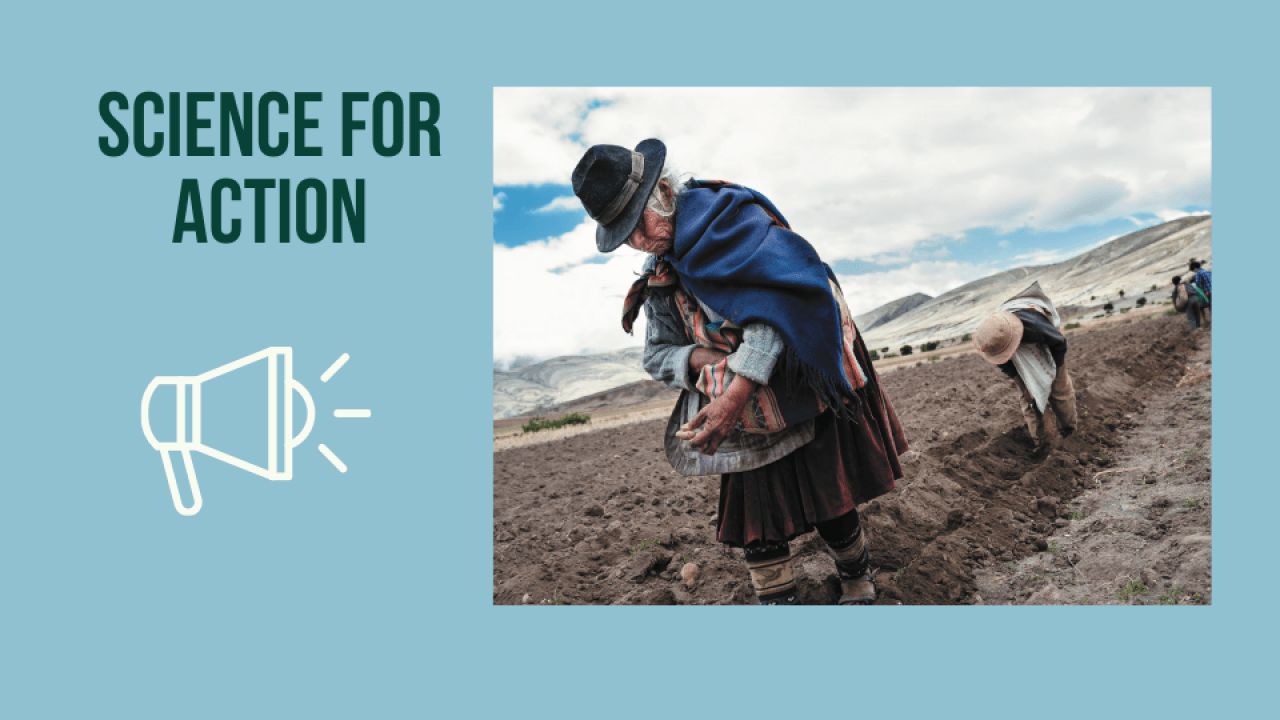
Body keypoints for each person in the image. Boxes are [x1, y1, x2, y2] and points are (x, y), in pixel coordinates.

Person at [571, 139, 908, 605]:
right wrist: (700, 361)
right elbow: (657, 354)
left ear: (665, 196)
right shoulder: (662, 272)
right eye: (624, 235)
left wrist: (736, 390)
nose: (638, 242)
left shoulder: (735, 223)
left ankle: (857, 575)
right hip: (737, 400)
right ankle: (778, 602)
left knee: (829, 495)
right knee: (758, 510)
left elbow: (777, 309)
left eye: (637, 225)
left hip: (799, 368)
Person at [973, 282, 1077, 452]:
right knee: (1029, 400)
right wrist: (1023, 384)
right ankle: (1043, 443)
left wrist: (1057, 372)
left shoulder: (1034, 324)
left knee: (1060, 392)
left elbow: (1059, 344)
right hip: (1019, 360)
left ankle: (1070, 433)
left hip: (1047, 349)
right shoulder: (989, 340)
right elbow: (1005, 365)